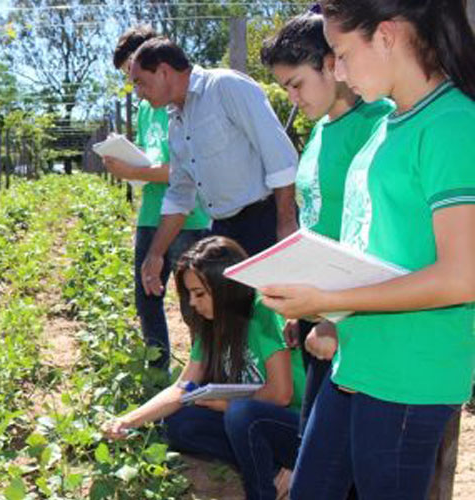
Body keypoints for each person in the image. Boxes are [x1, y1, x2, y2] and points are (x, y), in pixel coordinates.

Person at [261, 0, 475, 497]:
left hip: (408, 373)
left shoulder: (452, 126)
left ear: (387, 36)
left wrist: (330, 304)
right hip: (359, 359)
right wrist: (334, 319)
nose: (336, 69)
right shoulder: (387, 126)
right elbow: (378, 251)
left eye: (340, 53)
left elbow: (461, 276)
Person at [259, 12, 394, 435]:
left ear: (332, 63)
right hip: (320, 311)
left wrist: (336, 319)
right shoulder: (319, 131)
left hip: (358, 318)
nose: (293, 98)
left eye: (296, 83)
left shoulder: (380, 122)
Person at [101, 236, 306, 500]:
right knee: (179, 423)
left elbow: (281, 394)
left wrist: (224, 405)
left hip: (295, 426)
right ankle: (276, 470)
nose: (193, 303)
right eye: (189, 295)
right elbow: (181, 388)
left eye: (199, 293)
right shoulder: (212, 324)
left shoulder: (262, 312)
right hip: (250, 421)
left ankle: (269, 486)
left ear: (225, 288)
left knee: (241, 413)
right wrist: (127, 421)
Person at [129, 37, 299, 299]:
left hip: (264, 221)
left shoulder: (224, 87)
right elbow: (179, 194)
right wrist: (155, 254)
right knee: (231, 316)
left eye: (140, 82)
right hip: (221, 228)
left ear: (163, 71)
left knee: (276, 310)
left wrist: (285, 225)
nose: (138, 92)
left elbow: (279, 156)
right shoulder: (176, 123)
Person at [105, 25, 211, 372]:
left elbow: (180, 170)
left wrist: (133, 171)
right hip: (151, 212)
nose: (134, 87)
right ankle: (157, 374)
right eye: (128, 78)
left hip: (188, 217)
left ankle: (206, 373)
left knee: (195, 303)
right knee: (147, 298)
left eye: (136, 76)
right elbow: (154, 160)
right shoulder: (148, 108)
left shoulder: (177, 103)